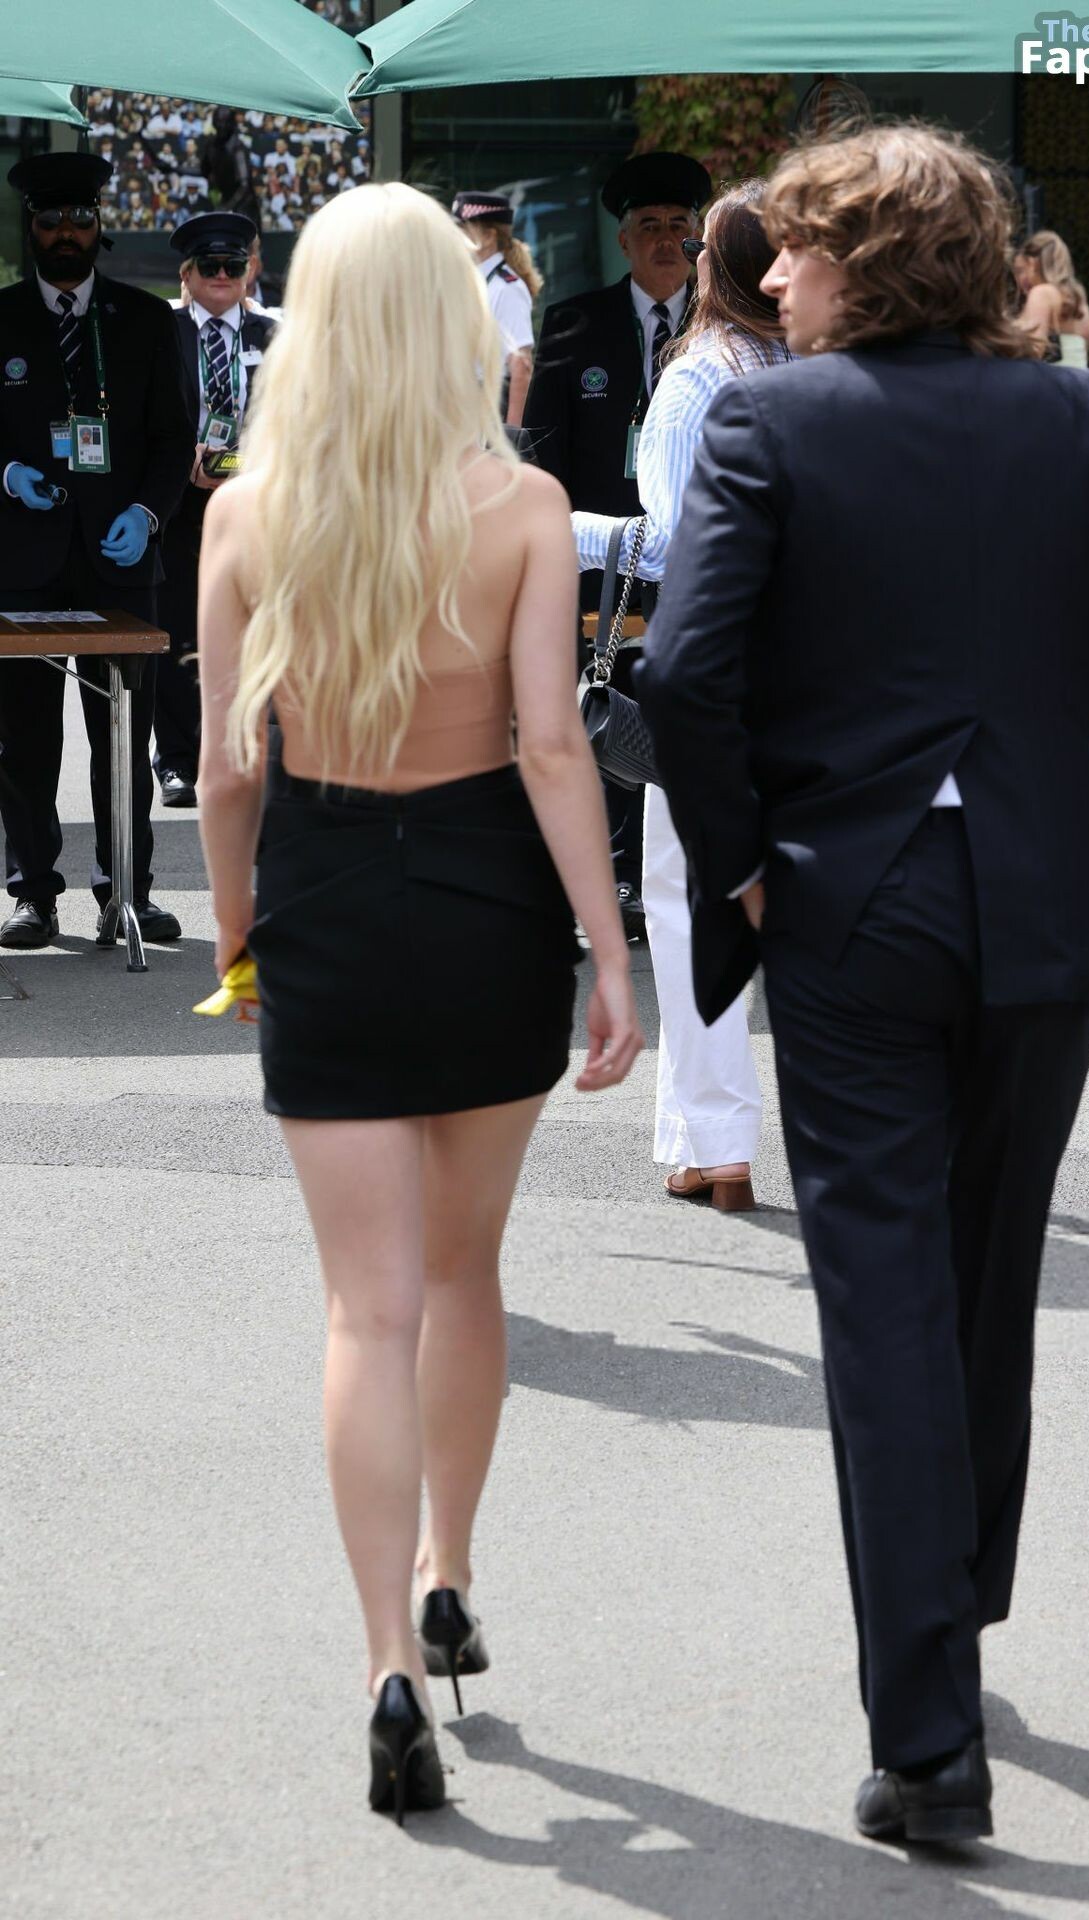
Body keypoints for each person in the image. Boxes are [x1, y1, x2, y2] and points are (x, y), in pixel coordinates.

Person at [637, 124, 1089, 1848]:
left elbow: (685, 674)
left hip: (849, 906)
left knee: (885, 1306)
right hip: (1042, 899)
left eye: (794, 244)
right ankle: (958, 1609)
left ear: (864, 260)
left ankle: (929, 1738)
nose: (770, 272)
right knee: (985, 1284)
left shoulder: (772, 420)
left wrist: (741, 861)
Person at [196, 182, 644, 1821]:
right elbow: (550, 745)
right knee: (463, 1274)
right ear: (458, 321)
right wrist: (608, 948)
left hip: (321, 890)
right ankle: (453, 1572)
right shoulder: (521, 505)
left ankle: (386, 1661)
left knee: (363, 1311)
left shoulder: (248, 514)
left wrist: (238, 939)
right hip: (488, 900)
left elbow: (229, 769)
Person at [573, 182, 790, 1209]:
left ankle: (718, 1140)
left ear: (714, 265)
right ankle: (711, 1137)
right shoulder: (826, 361)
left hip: (718, 668)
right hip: (828, 665)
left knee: (691, 898)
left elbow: (670, 545)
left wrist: (558, 526)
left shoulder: (701, 370)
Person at [0, 152, 190, 950]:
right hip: (23, 560)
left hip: (120, 557)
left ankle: (127, 893)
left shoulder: (144, 319)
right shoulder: (1, 318)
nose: (67, 234)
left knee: (124, 734)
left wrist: (148, 513)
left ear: (100, 226)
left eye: (81, 220)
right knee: (23, 738)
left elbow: (173, 437)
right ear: (31, 229)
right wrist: (8, 474)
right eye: (52, 221)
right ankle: (32, 894)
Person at [524, 151, 711, 941]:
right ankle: (611, 877)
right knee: (603, 715)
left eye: (679, 225)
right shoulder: (575, 323)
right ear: (624, 239)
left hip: (698, 562)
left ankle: (678, 874)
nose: (666, 240)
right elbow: (541, 453)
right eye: (649, 226)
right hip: (602, 566)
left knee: (684, 720)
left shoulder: (725, 324)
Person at [152, 212, 276, 808]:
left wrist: (243, 461)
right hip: (178, 504)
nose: (222, 274)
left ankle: (240, 753)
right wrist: (186, 462)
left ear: (249, 271)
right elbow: (145, 417)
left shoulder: (275, 336)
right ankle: (177, 761)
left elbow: (295, 420)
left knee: (253, 632)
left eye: (234, 264)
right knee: (176, 628)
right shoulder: (162, 331)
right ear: (187, 273)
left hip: (254, 505)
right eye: (209, 265)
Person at [451, 191, 539, 429]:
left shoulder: (507, 288)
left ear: (489, 236)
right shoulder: (476, 282)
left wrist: (511, 435)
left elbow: (521, 366)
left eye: (463, 229)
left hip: (490, 409)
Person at [1012, 228, 1089, 366]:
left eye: (1020, 271)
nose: (1018, 280)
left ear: (1032, 263)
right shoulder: (1081, 304)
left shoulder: (1041, 293)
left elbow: (1033, 350)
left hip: (1050, 377)